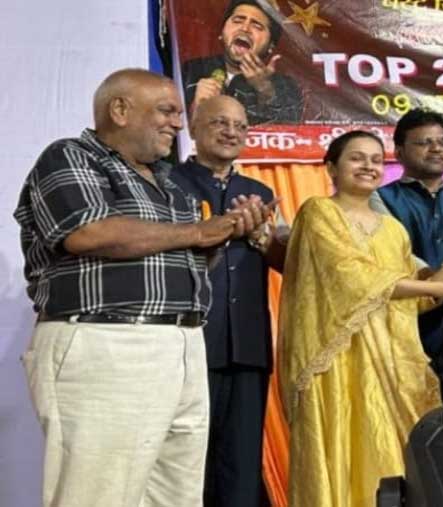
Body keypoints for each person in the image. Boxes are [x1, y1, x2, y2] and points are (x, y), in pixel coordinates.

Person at [14, 68, 270, 507]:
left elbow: (189, 259)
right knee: (98, 496)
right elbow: (88, 232)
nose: (177, 123)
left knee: (175, 497)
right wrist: (199, 231)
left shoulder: (169, 183)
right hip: (107, 341)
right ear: (120, 110)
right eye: (167, 111)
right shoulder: (72, 157)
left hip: (183, 344)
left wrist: (225, 233)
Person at [278, 131, 443, 507]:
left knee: (402, 457)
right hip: (340, 360)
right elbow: (354, 278)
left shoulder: (393, 230)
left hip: (394, 360)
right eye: (357, 158)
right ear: (332, 168)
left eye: (376, 160)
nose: (368, 166)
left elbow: (411, 299)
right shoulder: (319, 212)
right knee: (348, 451)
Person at [169, 95, 285, 507]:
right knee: (186, 459)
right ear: (194, 128)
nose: (231, 132)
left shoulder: (259, 192)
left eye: (240, 126)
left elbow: (284, 263)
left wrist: (259, 235)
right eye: (220, 122)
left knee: (241, 460)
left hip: (248, 344)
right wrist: (218, 230)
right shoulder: (168, 184)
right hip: (188, 342)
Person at [375, 108, 443, 404]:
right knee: (414, 429)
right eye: (424, 142)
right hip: (406, 338)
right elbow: (390, 264)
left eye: (442, 142)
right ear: (399, 153)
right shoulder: (379, 200)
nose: (436, 148)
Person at [182, 0, 302, 125]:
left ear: (271, 45)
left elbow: (290, 129)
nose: (245, 28)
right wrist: (196, 106)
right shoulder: (190, 71)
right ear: (222, 32)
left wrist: (264, 89)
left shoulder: (285, 86)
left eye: (257, 26)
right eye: (237, 21)